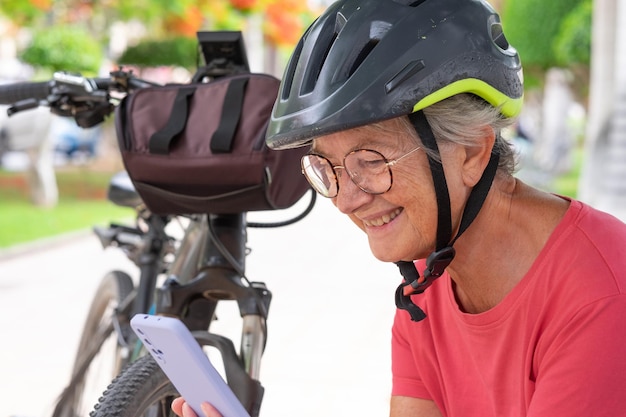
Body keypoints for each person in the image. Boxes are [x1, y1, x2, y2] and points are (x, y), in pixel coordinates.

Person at [173, 0, 626, 416]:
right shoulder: (425, 285)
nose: (347, 199)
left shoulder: (600, 299)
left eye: (371, 161)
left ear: (470, 151)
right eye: (327, 167)